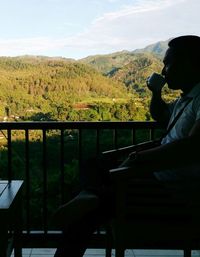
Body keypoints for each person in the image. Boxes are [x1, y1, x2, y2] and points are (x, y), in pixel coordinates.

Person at [53, 35, 200, 257]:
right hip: (154, 176)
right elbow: (161, 116)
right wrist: (156, 93)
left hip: (171, 190)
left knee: (88, 214)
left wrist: (141, 158)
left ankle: (90, 198)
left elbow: (192, 146)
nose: (164, 70)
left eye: (168, 63)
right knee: (94, 165)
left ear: (189, 63)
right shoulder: (186, 98)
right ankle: (91, 196)